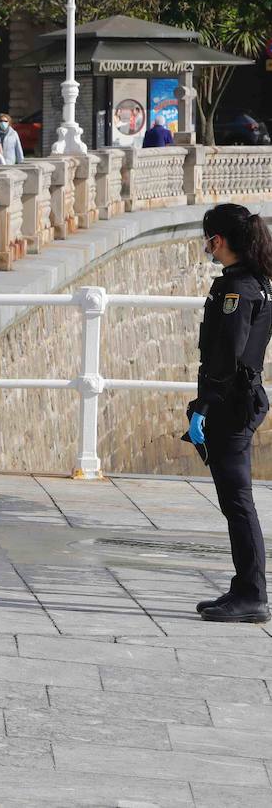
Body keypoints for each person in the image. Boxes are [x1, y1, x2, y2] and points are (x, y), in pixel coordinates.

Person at [186, 204, 272, 624]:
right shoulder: (259, 282)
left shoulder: (237, 289)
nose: (207, 246)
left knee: (238, 502)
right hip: (241, 400)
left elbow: (227, 355)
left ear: (217, 240)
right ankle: (244, 586)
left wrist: (203, 405)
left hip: (231, 405)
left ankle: (254, 593)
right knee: (235, 501)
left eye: (208, 239)